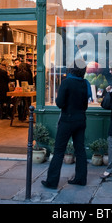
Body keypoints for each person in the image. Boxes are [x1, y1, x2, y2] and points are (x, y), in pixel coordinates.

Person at [42, 59, 91, 189]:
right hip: (81, 119)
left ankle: (52, 182)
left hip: (67, 120)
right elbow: (85, 105)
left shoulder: (66, 82)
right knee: (80, 150)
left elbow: (59, 103)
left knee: (58, 151)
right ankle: (81, 178)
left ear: (71, 69)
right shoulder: (84, 83)